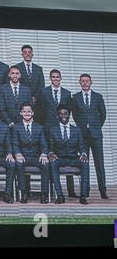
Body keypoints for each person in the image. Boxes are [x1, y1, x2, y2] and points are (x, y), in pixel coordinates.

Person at [72, 74, 108, 199]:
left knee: (99, 163)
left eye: (87, 81)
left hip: (96, 134)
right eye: (82, 81)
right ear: (79, 83)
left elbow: (103, 114)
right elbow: (75, 115)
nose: (85, 83)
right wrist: (83, 127)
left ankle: (103, 190)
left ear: (91, 82)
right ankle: (85, 190)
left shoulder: (98, 97)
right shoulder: (75, 97)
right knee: (84, 162)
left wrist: (95, 126)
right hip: (83, 135)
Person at [40, 69, 75, 197]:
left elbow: (68, 111)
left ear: (61, 78)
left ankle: (71, 190)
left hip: (62, 127)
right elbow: (40, 110)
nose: (55, 79)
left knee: (68, 154)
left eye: (57, 77)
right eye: (53, 77)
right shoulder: (44, 92)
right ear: (50, 78)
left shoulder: (67, 93)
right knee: (51, 157)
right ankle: (51, 189)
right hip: (48, 128)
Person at [49, 105, 89, 205]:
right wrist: (51, 153)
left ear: (69, 115)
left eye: (66, 113)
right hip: (60, 158)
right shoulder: (53, 130)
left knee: (85, 164)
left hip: (73, 158)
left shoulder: (77, 130)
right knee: (53, 163)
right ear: (57, 115)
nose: (64, 116)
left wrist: (84, 153)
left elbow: (82, 147)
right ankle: (60, 196)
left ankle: (83, 196)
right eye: (61, 113)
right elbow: (50, 147)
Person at [12, 103, 49, 204]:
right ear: (20, 113)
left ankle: (44, 194)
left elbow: (44, 144)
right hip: (23, 156)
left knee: (45, 164)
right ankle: (24, 192)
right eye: (24, 111)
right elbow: (14, 144)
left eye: (29, 111)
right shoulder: (16, 127)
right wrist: (17, 154)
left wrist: (44, 154)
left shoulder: (39, 127)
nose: (26, 113)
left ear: (32, 113)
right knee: (18, 164)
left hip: (36, 156)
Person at [16, 45, 45, 123]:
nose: (27, 54)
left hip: (36, 103)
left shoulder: (38, 69)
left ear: (32, 54)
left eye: (29, 52)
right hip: (22, 101)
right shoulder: (17, 68)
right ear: (22, 54)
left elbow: (41, 86)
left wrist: (35, 97)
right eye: (25, 52)